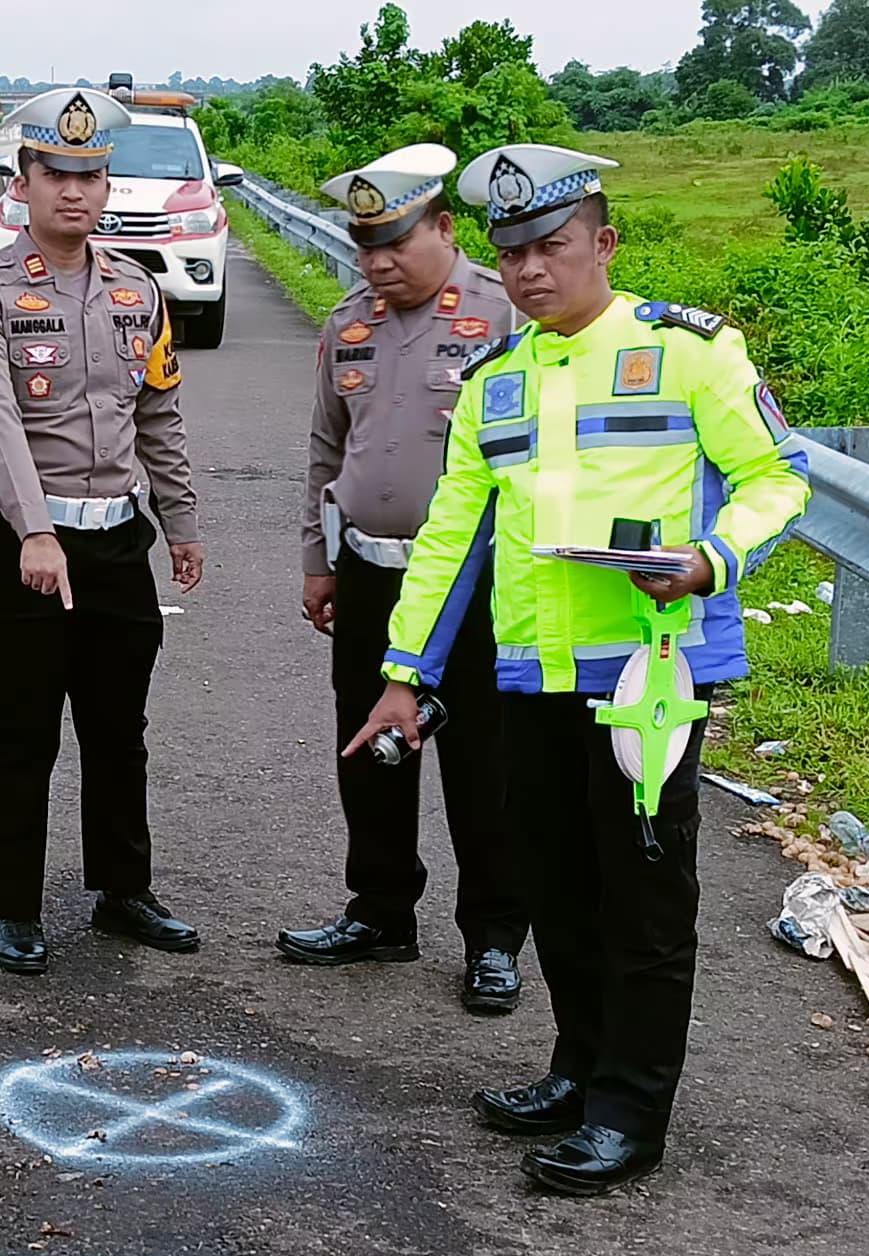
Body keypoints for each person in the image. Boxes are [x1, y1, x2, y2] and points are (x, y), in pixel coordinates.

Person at [349, 143, 811, 1194]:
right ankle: (577, 1066)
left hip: (648, 680)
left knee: (641, 897)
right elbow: (451, 541)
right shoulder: (495, 382)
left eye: (551, 247)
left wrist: (709, 559)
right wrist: (404, 675)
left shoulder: (689, 352)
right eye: (511, 253)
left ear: (603, 245)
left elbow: (777, 479)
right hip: (533, 679)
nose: (528, 271)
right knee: (555, 887)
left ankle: (628, 1113)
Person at [0, 87, 204, 976]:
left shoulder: (137, 288)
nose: (74, 191)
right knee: (21, 732)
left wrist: (180, 522)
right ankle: (16, 908)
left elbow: (158, 413)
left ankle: (124, 891)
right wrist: (35, 530)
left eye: (90, 175)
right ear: (21, 183)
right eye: (55, 173)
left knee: (118, 727)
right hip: (14, 546)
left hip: (114, 542)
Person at [277, 142, 530, 1015]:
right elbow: (325, 449)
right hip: (369, 571)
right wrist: (318, 560)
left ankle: (494, 936)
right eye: (365, 246)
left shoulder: (503, 316)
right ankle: (380, 910)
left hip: (476, 582)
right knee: (369, 748)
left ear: (446, 229)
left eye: (394, 242)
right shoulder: (349, 322)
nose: (378, 263)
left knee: (484, 764)